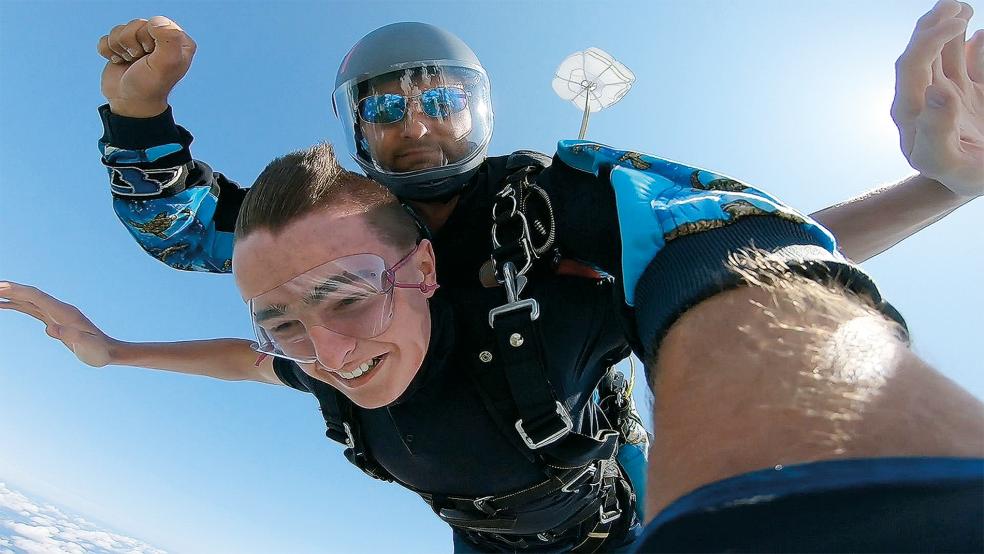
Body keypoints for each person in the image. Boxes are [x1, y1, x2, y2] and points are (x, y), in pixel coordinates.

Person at [6, 139, 982, 552]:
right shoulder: (327, 362)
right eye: (283, 320)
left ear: (426, 270)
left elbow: (731, 256)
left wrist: (944, 185)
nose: (328, 348)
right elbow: (238, 355)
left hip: (614, 514)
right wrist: (113, 350)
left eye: (342, 295)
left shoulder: (538, 322)